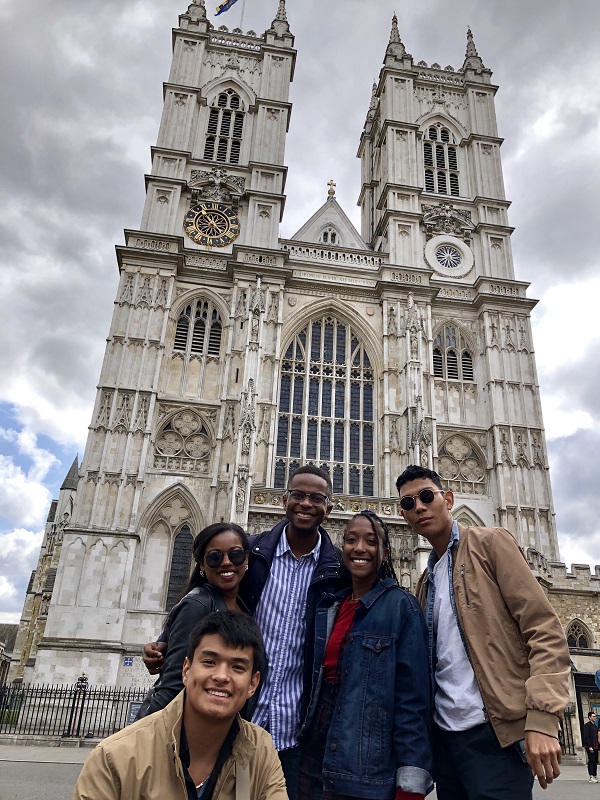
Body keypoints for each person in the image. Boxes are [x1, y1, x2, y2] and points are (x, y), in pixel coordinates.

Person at [144, 466, 344, 800]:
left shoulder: (337, 569)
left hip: (296, 727)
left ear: (329, 507)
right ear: (284, 500)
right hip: (237, 719)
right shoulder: (249, 554)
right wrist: (167, 639)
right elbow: (209, 590)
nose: (306, 504)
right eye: (298, 495)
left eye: (316, 498)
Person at [396, 464, 571, 799]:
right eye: (407, 504)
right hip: (447, 740)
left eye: (426, 497)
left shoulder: (491, 544)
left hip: (495, 737)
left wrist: (543, 719)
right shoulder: (425, 583)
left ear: (447, 499)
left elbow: (544, 628)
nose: (418, 507)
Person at [74, 612, 287, 800]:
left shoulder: (261, 750)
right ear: (186, 670)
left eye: (237, 667)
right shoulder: (114, 758)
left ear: (253, 684)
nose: (221, 676)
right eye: (209, 662)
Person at [299, 510, 433, 800]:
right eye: (351, 540)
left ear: (385, 552)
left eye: (370, 541)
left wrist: (410, 784)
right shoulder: (330, 607)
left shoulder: (402, 607)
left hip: (365, 767)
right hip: (315, 757)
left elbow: (412, 701)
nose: (359, 548)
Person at [137, 522, 251, 719]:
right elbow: (173, 684)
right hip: (192, 728)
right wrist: (140, 740)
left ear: (246, 558)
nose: (226, 563)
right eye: (215, 557)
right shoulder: (196, 606)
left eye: (235, 555)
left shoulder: (243, 604)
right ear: (201, 564)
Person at [583, 711, 599, 783]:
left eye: (595, 716)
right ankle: (591, 776)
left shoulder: (595, 726)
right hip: (590, 746)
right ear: (589, 717)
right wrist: (589, 746)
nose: (595, 717)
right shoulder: (587, 726)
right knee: (591, 760)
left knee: (595, 761)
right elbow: (586, 736)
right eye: (593, 716)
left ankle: (595, 775)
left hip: (595, 746)